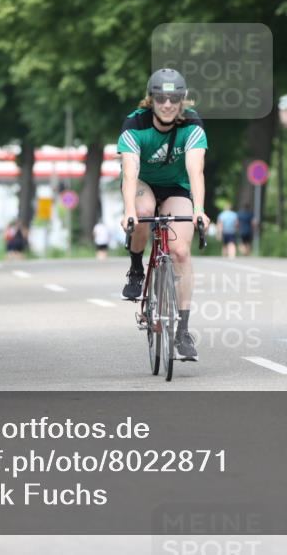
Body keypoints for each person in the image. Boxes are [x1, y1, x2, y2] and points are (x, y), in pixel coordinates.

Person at [118, 68, 209, 362]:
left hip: (175, 187)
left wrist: (199, 211)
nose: (167, 104)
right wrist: (129, 211)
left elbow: (196, 170)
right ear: (151, 99)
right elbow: (130, 174)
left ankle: (182, 330)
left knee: (181, 251)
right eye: (161, 98)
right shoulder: (135, 124)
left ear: (182, 100)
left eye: (174, 98)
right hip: (143, 184)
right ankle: (135, 267)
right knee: (143, 213)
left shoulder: (192, 123)